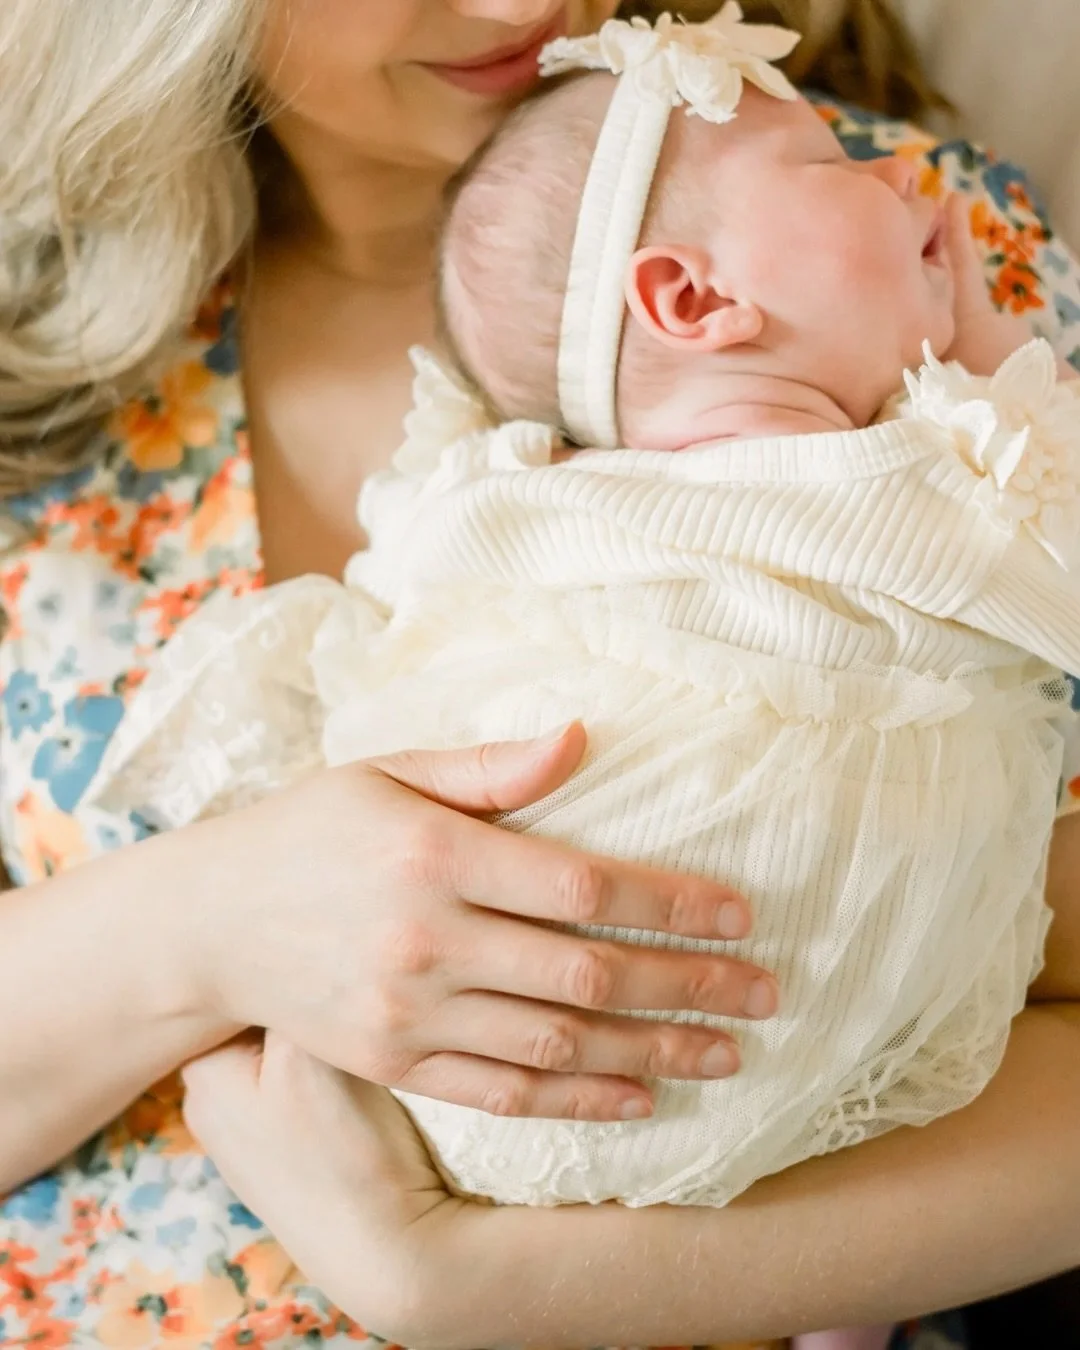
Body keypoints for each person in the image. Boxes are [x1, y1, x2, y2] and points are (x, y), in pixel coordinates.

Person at [0, 2, 1078, 1347]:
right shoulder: (43, 376)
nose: (524, 5)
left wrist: (464, 1280)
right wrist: (205, 923)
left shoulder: (892, 255)